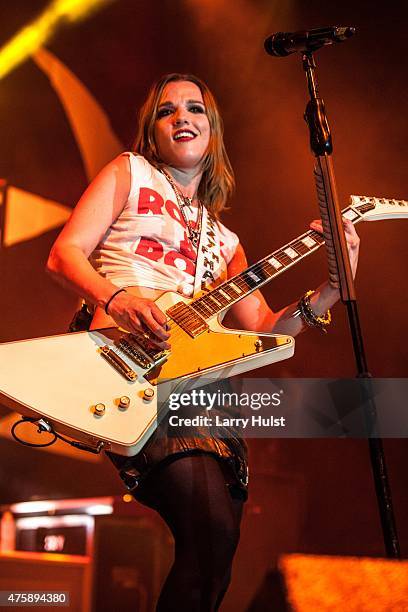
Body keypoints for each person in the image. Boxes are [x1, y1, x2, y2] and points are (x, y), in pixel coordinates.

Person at [46, 73, 360, 611]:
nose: (182, 117)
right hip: (124, 362)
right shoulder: (129, 171)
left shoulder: (226, 241)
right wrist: (117, 297)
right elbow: (65, 254)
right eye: (167, 111)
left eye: (195, 109)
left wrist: (332, 288)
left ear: (212, 131)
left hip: (199, 387)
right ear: (153, 129)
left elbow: (262, 330)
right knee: (210, 527)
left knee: (217, 554)